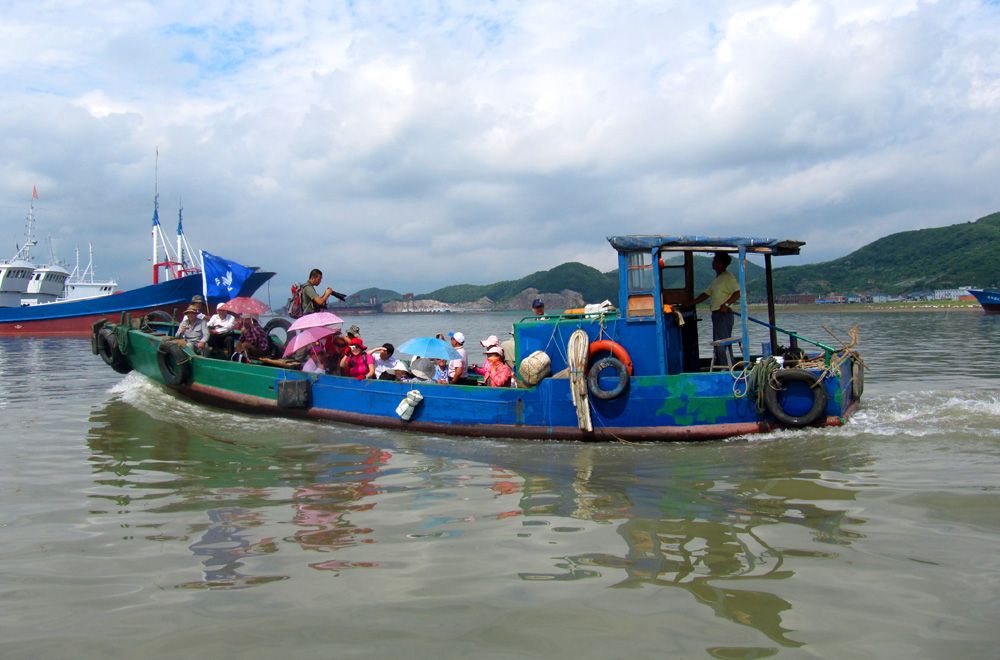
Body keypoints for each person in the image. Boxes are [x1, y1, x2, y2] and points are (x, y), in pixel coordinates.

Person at [690, 252, 741, 366]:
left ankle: (728, 367)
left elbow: (738, 292)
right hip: (716, 315)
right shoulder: (717, 279)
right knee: (718, 343)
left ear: (721, 264)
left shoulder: (728, 277)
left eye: (715, 261)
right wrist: (690, 303)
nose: (713, 263)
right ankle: (724, 365)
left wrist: (726, 304)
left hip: (724, 315)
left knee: (723, 342)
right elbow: (706, 294)